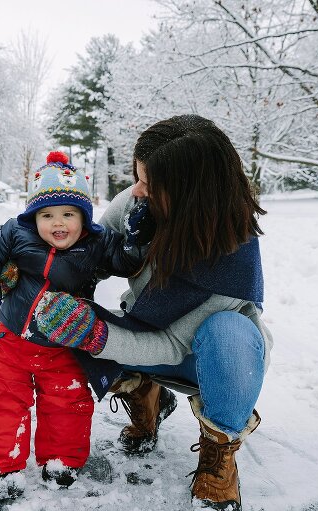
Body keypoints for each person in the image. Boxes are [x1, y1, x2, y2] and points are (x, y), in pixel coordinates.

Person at [32, 115, 272, 511]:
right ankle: (148, 399)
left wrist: (98, 337)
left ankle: (219, 455)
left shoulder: (232, 251)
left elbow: (172, 346)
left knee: (229, 333)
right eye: (137, 176)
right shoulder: (137, 204)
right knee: (66, 319)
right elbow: (82, 252)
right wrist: (12, 256)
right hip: (146, 328)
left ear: (191, 191)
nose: (137, 190)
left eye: (149, 183)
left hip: (208, 358)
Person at [0, 151, 150, 500]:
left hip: (64, 344)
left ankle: (61, 461)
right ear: (34, 216)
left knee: (67, 401)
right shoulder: (16, 232)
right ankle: (3, 466)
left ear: (84, 216)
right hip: (12, 341)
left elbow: (126, 261)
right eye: (47, 215)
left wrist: (136, 237)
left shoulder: (95, 244)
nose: (58, 223)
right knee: (0, 399)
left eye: (68, 214)